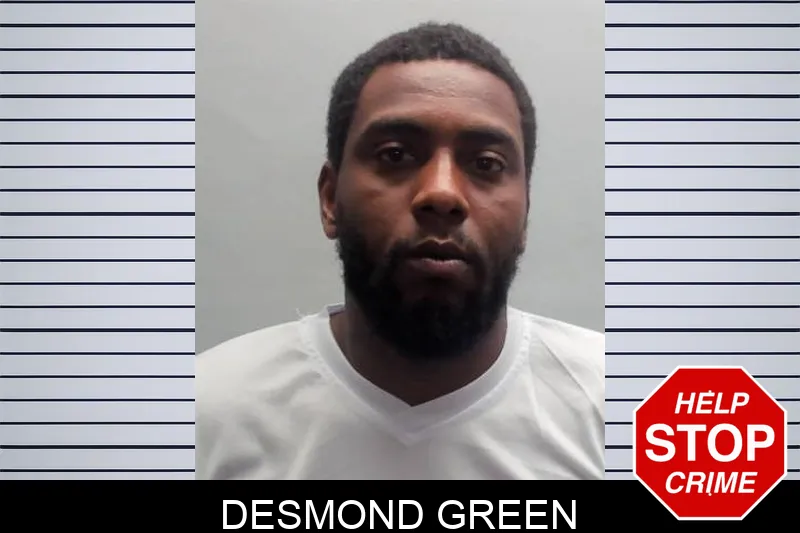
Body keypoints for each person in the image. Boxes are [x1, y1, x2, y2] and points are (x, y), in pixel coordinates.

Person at [196, 22, 604, 480]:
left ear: (525, 211)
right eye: (395, 155)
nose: (442, 193)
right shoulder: (204, 414)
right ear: (330, 199)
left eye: (486, 164)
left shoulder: (630, 416)